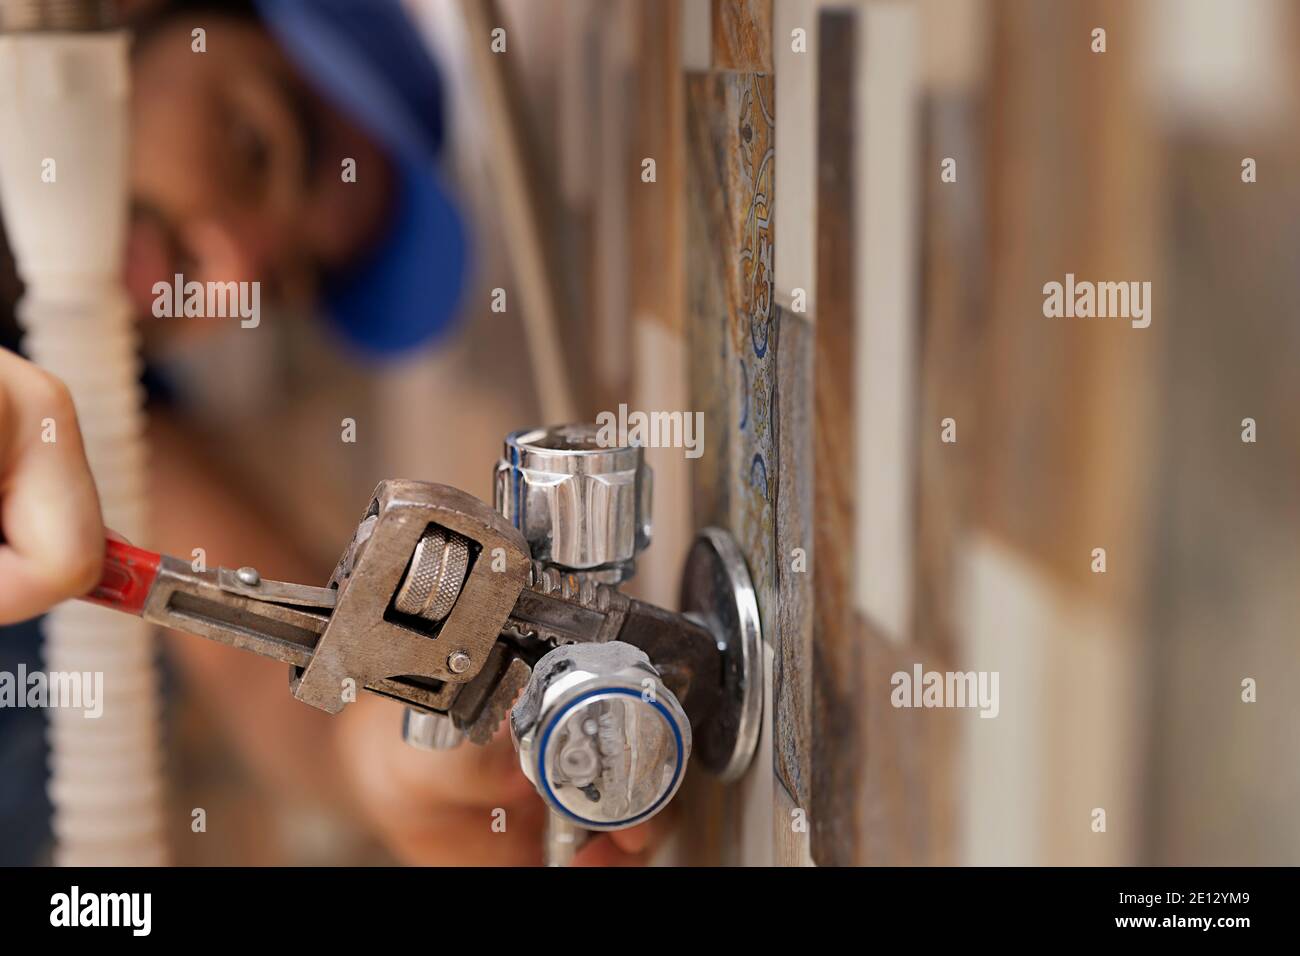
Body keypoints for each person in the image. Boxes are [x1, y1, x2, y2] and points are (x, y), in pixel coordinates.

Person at [0, 0, 663, 865]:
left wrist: (404, 762)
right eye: (253, 148)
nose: (229, 274)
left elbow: (295, 690)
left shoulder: (108, 429)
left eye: (278, 280)